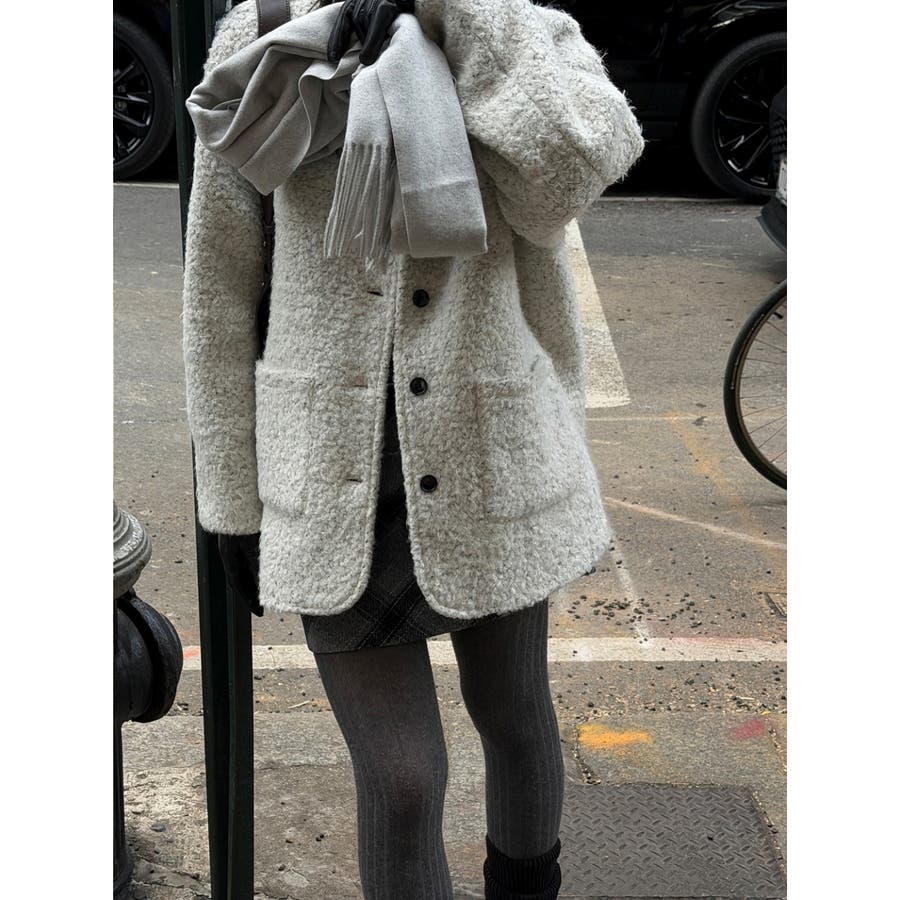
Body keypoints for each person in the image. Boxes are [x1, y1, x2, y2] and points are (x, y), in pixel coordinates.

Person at [181, 1, 645, 897]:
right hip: (331, 472)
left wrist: (460, 15)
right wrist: (231, 500)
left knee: (514, 716)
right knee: (402, 781)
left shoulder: (518, 27)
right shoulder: (264, 35)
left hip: (492, 452)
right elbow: (220, 286)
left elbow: (567, 180)